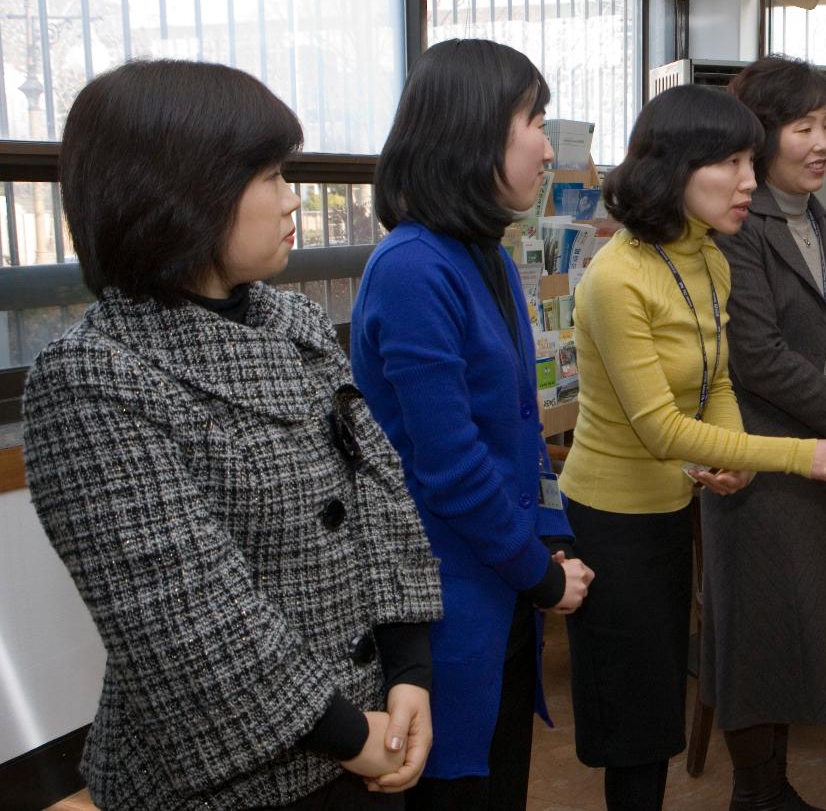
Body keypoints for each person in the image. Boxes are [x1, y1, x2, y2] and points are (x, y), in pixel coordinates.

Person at [21, 59, 444, 810]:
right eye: (270, 175)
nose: (292, 198)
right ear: (181, 191)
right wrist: (353, 735)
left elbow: (380, 497)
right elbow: (186, 618)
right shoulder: (91, 376)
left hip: (368, 724)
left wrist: (410, 669)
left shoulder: (297, 324)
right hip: (230, 777)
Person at [558, 84, 826, 811]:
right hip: (610, 514)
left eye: (750, 163)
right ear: (674, 168)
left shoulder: (708, 258)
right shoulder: (616, 276)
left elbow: (719, 381)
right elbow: (660, 426)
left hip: (669, 505)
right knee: (634, 721)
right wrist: (799, 454)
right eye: (731, 163)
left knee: (660, 702)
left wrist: (727, 453)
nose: (750, 182)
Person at [349, 39, 594, 810]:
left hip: (501, 583)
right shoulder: (414, 267)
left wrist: (545, 543)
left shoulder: (483, 254)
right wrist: (545, 575)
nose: (549, 145)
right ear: (475, 129)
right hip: (446, 600)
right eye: (535, 119)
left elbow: (517, 428)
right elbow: (451, 467)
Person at [688, 55, 826, 810]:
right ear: (762, 135)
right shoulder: (737, 228)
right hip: (756, 459)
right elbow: (760, 358)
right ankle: (757, 789)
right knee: (757, 632)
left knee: (792, 622)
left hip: (819, 460)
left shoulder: (825, 222)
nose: (823, 141)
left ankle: (772, 784)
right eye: (803, 126)